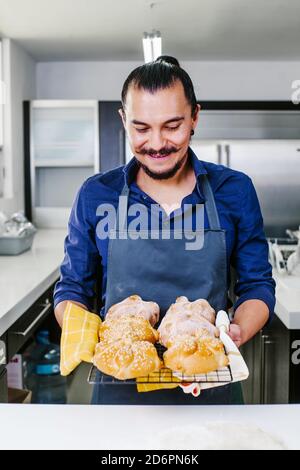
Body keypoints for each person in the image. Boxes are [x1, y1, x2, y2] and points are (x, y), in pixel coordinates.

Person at [54, 56, 275, 404]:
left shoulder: (234, 190)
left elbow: (257, 286)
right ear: (124, 120)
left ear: (194, 118)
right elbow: (72, 288)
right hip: (121, 391)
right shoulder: (97, 194)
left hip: (209, 385)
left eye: (172, 126)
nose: (156, 144)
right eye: (141, 128)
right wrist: (88, 331)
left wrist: (235, 330)